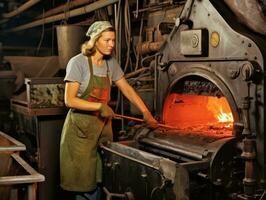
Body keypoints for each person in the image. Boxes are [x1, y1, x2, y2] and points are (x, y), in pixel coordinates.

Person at [60, 21, 158, 200]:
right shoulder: (78, 63)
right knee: (84, 184)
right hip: (80, 133)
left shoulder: (110, 63)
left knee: (102, 178)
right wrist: (99, 106)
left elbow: (127, 89)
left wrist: (146, 112)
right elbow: (69, 100)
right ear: (95, 40)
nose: (112, 44)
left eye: (113, 40)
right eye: (107, 40)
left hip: (103, 129)